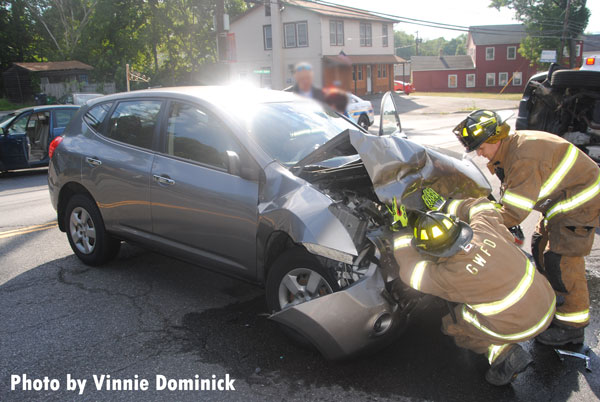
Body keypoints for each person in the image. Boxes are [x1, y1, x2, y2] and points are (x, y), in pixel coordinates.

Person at [453, 110, 600, 346]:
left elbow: (513, 212)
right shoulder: (511, 150)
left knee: (561, 260)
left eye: (480, 147)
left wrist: (477, 226)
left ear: (495, 137)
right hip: (561, 203)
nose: (479, 154)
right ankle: (556, 308)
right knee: (539, 246)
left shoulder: (523, 158)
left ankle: (572, 327)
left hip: (580, 202)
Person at [393, 195, 555, 386]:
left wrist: (400, 231)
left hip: (525, 326)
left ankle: (503, 354)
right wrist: (445, 204)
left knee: (452, 323)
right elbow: (481, 205)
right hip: (547, 303)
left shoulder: (449, 275)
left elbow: (411, 273)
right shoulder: (483, 228)